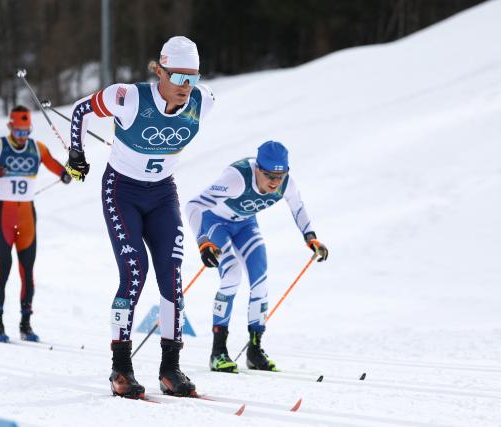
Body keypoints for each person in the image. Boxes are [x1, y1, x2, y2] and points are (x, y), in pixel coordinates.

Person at [65, 36, 215, 398]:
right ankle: (121, 368)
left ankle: (170, 369)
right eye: (179, 78)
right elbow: (81, 111)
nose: (186, 88)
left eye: (192, 79)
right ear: (159, 71)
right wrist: (76, 154)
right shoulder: (128, 97)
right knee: (134, 272)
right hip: (122, 192)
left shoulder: (204, 101)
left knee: (172, 275)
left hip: (163, 194)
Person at [185, 141, 328, 373]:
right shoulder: (236, 179)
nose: (274, 182)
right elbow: (193, 206)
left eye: (280, 176)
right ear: (257, 170)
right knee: (232, 274)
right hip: (215, 222)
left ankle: (254, 350)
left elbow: (298, 207)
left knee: (260, 279)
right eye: (269, 175)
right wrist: (203, 242)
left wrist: (310, 237)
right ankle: (218, 352)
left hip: (244, 224)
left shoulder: (286, 184)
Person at [0, 105, 71, 343]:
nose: (22, 137)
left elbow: (58, 167)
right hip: (4, 217)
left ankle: (25, 325)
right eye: (18, 132)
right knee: (3, 271)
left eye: (26, 132)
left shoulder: (38, 148)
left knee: (28, 273)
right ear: (10, 128)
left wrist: (69, 173)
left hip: (27, 216)